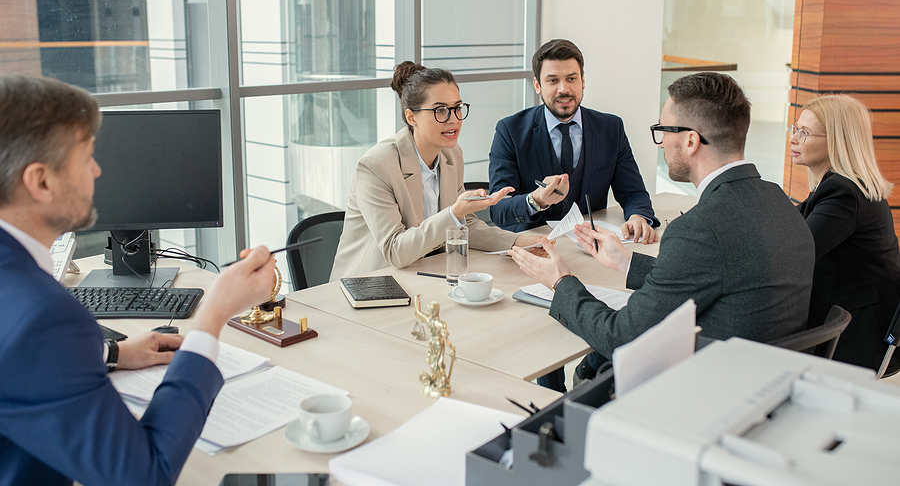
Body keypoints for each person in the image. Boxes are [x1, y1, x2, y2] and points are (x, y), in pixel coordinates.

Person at [0, 75, 279, 486]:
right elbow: (144, 476)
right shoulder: (43, 314)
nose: (97, 170)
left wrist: (112, 353)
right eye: (87, 156)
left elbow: (20, 366)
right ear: (40, 181)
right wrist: (213, 316)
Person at [510, 72, 815, 383]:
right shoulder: (778, 200)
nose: (660, 144)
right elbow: (711, 272)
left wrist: (561, 282)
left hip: (706, 391)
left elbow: (622, 338)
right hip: (769, 382)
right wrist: (627, 262)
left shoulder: (699, 229)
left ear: (690, 140)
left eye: (662, 130)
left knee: (593, 368)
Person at [331, 62, 542, 279]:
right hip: (369, 286)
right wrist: (454, 212)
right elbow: (396, 250)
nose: (453, 119)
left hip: (425, 276)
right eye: (440, 110)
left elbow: (465, 224)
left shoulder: (451, 155)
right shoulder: (376, 166)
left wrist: (516, 242)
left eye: (457, 108)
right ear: (411, 117)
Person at [488, 39, 659, 242]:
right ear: (537, 85)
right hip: (534, 247)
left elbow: (633, 192)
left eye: (571, 79)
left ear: (583, 81)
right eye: (553, 81)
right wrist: (537, 199)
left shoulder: (610, 128)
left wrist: (638, 216)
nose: (564, 89)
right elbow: (498, 210)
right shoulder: (509, 131)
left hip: (592, 248)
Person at [789, 94, 900, 372]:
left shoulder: (844, 192)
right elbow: (791, 225)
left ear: (836, 141)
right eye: (795, 129)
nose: (793, 139)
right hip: (851, 312)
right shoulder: (834, 185)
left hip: (861, 331)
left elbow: (795, 252)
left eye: (804, 133)